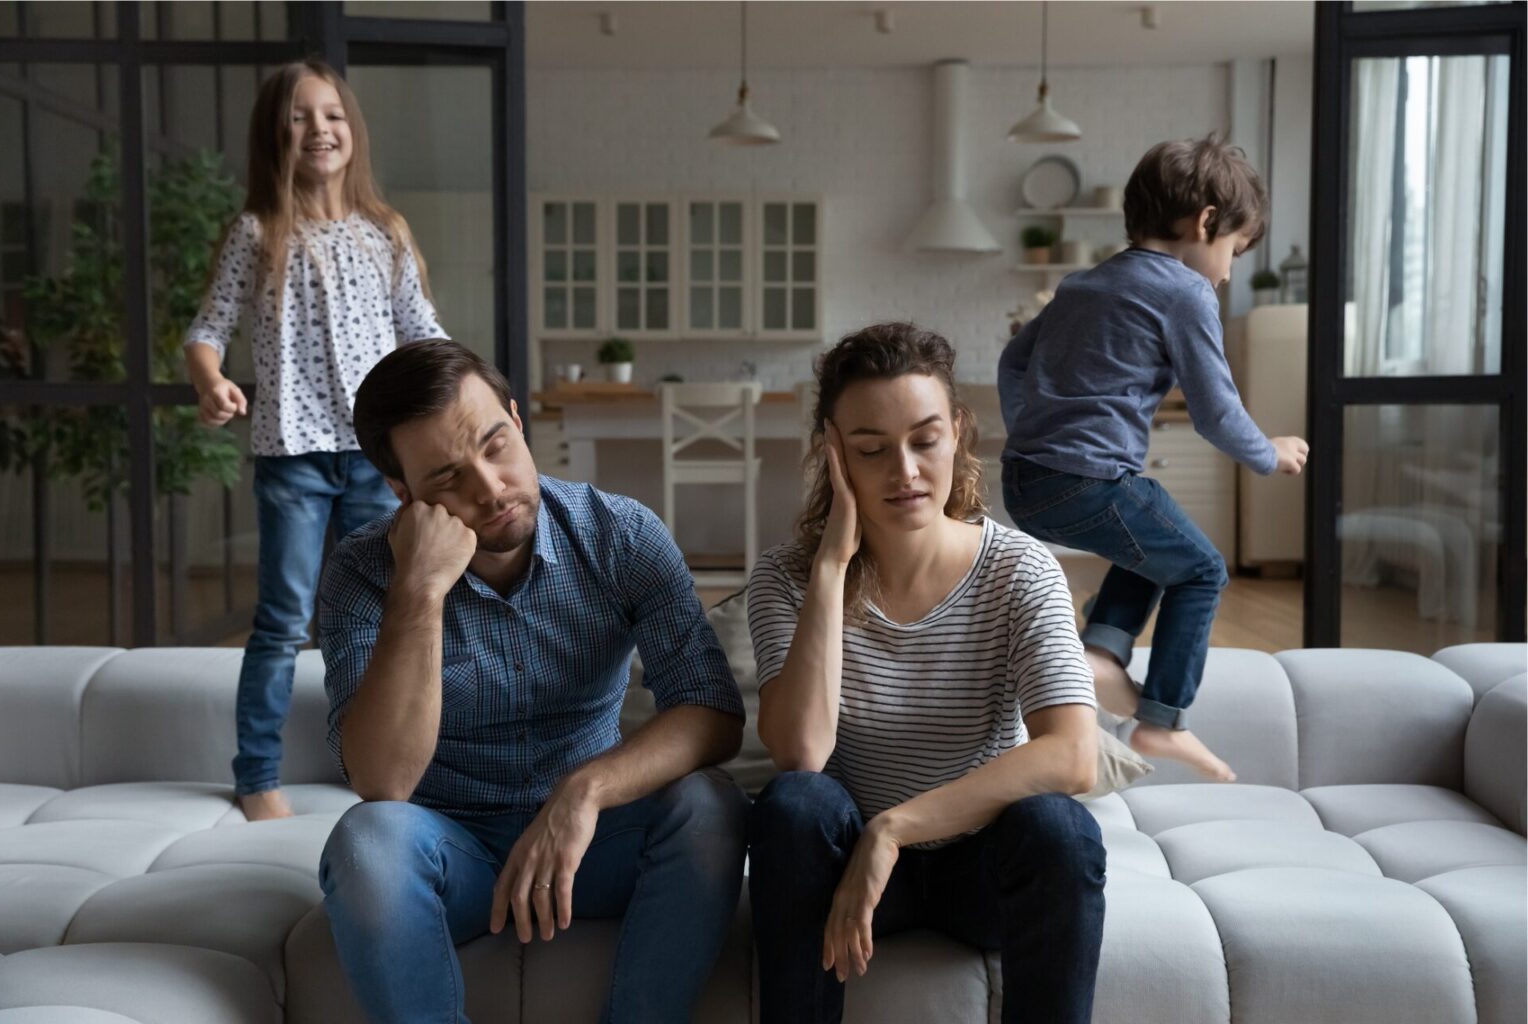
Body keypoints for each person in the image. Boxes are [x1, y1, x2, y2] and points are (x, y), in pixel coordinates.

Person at [316, 340, 749, 1024]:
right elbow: (383, 783)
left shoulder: (621, 535)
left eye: (495, 445)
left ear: (518, 421)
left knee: (710, 806)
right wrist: (420, 592)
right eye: (447, 479)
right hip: (451, 850)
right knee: (366, 841)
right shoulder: (360, 573)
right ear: (402, 494)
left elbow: (712, 709)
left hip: (591, 843)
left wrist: (586, 789)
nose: (489, 489)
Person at [747, 323, 1106, 1024]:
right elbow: (801, 753)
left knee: (1059, 828)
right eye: (871, 449)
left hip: (979, 871)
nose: (904, 471)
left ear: (959, 431)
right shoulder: (786, 578)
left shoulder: (1021, 570)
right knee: (794, 805)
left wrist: (894, 830)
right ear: (832, 452)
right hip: (847, 876)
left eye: (924, 440)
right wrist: (829, 568)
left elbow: (1073, 754)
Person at [998, 135, 1309, 782]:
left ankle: (1103, 654)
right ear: (1204, 222)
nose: (1226, 273)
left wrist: (1030, 429)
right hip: (1085, 480)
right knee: (1200, 569)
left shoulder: (1083, 283)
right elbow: (1215, 411)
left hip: (1027, 480)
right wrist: (1267, 453)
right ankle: (1161, 720)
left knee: (1155, 537)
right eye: (1232, 251)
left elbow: (1013, 361)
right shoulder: (1185, 293)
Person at [184, 60, 448, 821]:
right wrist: (212, 382)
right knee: (282, 621)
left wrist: (472, 394)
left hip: (376, 460)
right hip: (292, 456)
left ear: (351, 130)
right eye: (300, 117)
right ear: (277, 135)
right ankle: (257, 776)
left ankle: (375, 761)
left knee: (376, 613)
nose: (319, 129)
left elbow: (422, 333)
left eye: (330, 114)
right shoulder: (256, 234)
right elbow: (208, 330)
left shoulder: (384, 234)